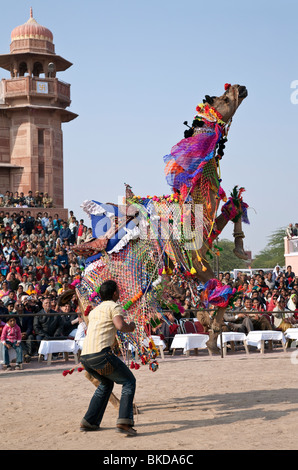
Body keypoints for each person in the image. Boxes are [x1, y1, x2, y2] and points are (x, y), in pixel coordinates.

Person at [79, 280, 137, 436]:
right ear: (115, 294)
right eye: (118, 290)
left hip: (85, 357)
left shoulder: (94, 311)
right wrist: (131, 327)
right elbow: (120, 326)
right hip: (100, 355)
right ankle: (124, 422)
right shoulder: (114, 306)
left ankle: (89, 421)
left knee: (105, 384)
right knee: (128, 381)